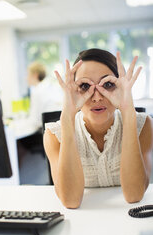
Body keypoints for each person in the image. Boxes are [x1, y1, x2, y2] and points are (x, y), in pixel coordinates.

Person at [43, 48, 153, 209]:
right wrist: (68, 116)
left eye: (107, 84)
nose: (97, 97)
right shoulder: (54, 134)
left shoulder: (143, 126)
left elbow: (134, 195)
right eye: (85, 86)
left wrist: (127, 110)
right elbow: (71, 201)